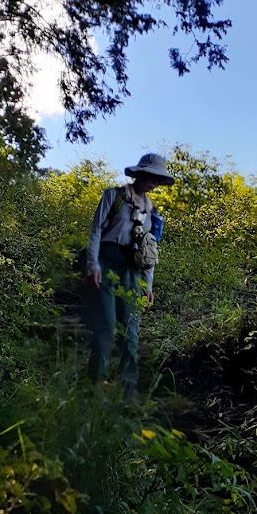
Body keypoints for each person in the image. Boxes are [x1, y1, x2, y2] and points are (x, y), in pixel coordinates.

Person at [86, 153, 174, 397]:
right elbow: (95, 231)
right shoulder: (112, 196)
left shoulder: (153, 212)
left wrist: (148, 285)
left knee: (130, 332)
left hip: (133, 271)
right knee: (105, 327)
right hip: (106, 262)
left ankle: (129, 390)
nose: (153, 182)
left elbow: (150, 251)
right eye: (150, 176)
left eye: (158, 179)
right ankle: (94, 386)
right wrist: (93, 264)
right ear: (139, 174)